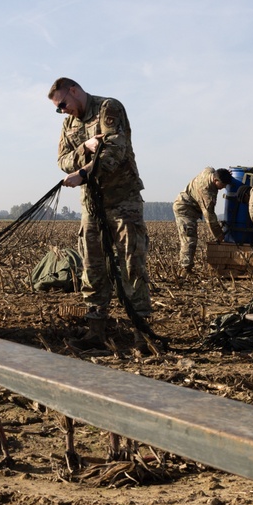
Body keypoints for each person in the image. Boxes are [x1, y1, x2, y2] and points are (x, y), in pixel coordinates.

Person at [48, 78, 151, 342]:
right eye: (57, 109)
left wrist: (82, 173)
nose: (62, 111)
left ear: (74, 91)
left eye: (63, 104)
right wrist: (85, 147)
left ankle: (142, 334)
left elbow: (115, 152)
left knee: (132, 265)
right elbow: (62, 160)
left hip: (122, 202)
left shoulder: (108, 108)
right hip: (92, 205)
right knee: (92, 266)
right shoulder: (69, 123)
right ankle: (96, 331)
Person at [173, 167, 233, 274]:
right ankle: (185, 269)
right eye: (223, 185)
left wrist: (224, 174)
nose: (223, 187)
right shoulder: (207, 193)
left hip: (191, 207)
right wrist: (219, 236)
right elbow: (210, 218)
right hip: (184, 209)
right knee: (189, 238)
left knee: (190, 238)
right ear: (216, 181)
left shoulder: (210, 171)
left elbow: (211, 169)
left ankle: (186, 268)